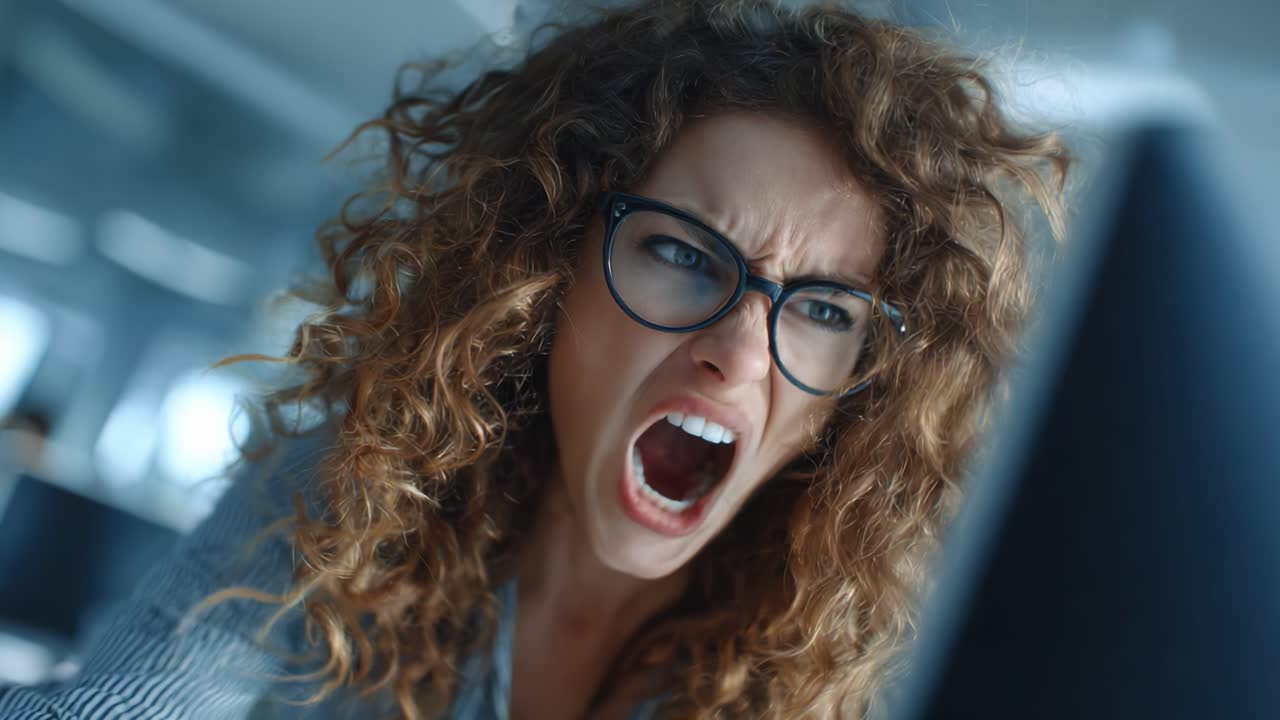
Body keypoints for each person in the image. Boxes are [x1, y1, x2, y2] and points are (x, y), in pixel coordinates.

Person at [0, 0, 1070, 717]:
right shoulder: (354, 500)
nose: (738, 353)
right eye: (679, 254)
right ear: (540, 277)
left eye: (824, 310)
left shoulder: (858, 686)